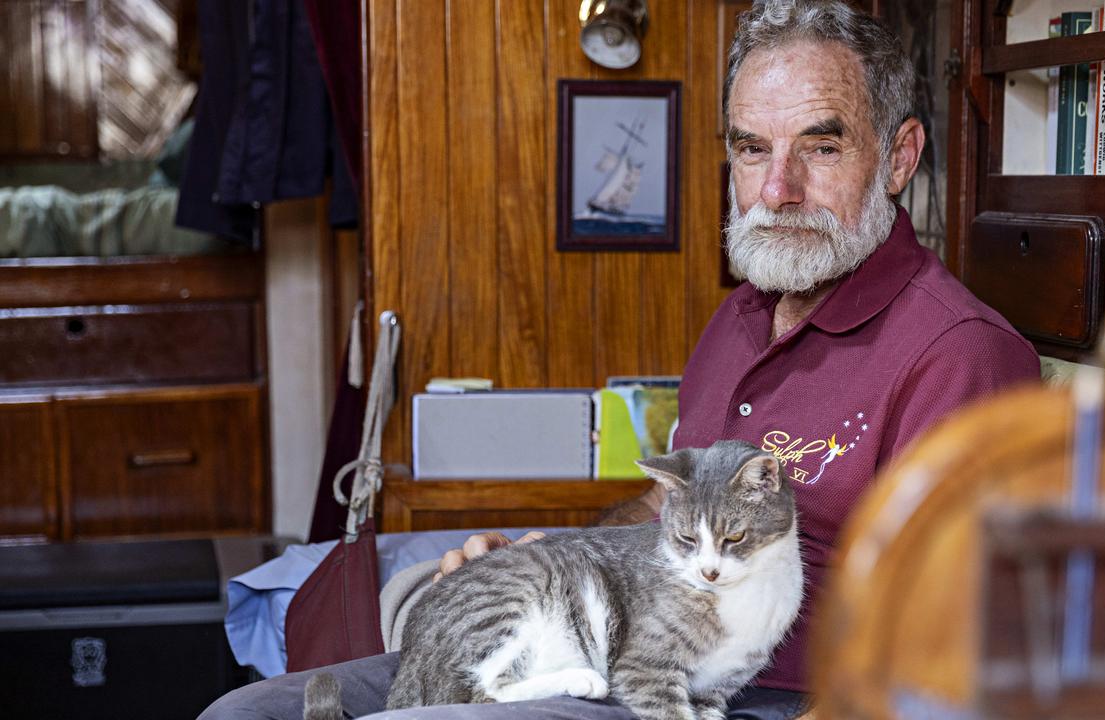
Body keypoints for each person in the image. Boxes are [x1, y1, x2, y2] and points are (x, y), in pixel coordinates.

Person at [200, 2, 1039, 719]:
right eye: (751, 150)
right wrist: (546, 566)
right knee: (243, 711)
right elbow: (657, 510)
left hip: (749, 696)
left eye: (820, 149)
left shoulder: (962, 355)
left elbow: (951, 640)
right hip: (618, 648)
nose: (776, 188)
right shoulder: (742, 314)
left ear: (898, 157)